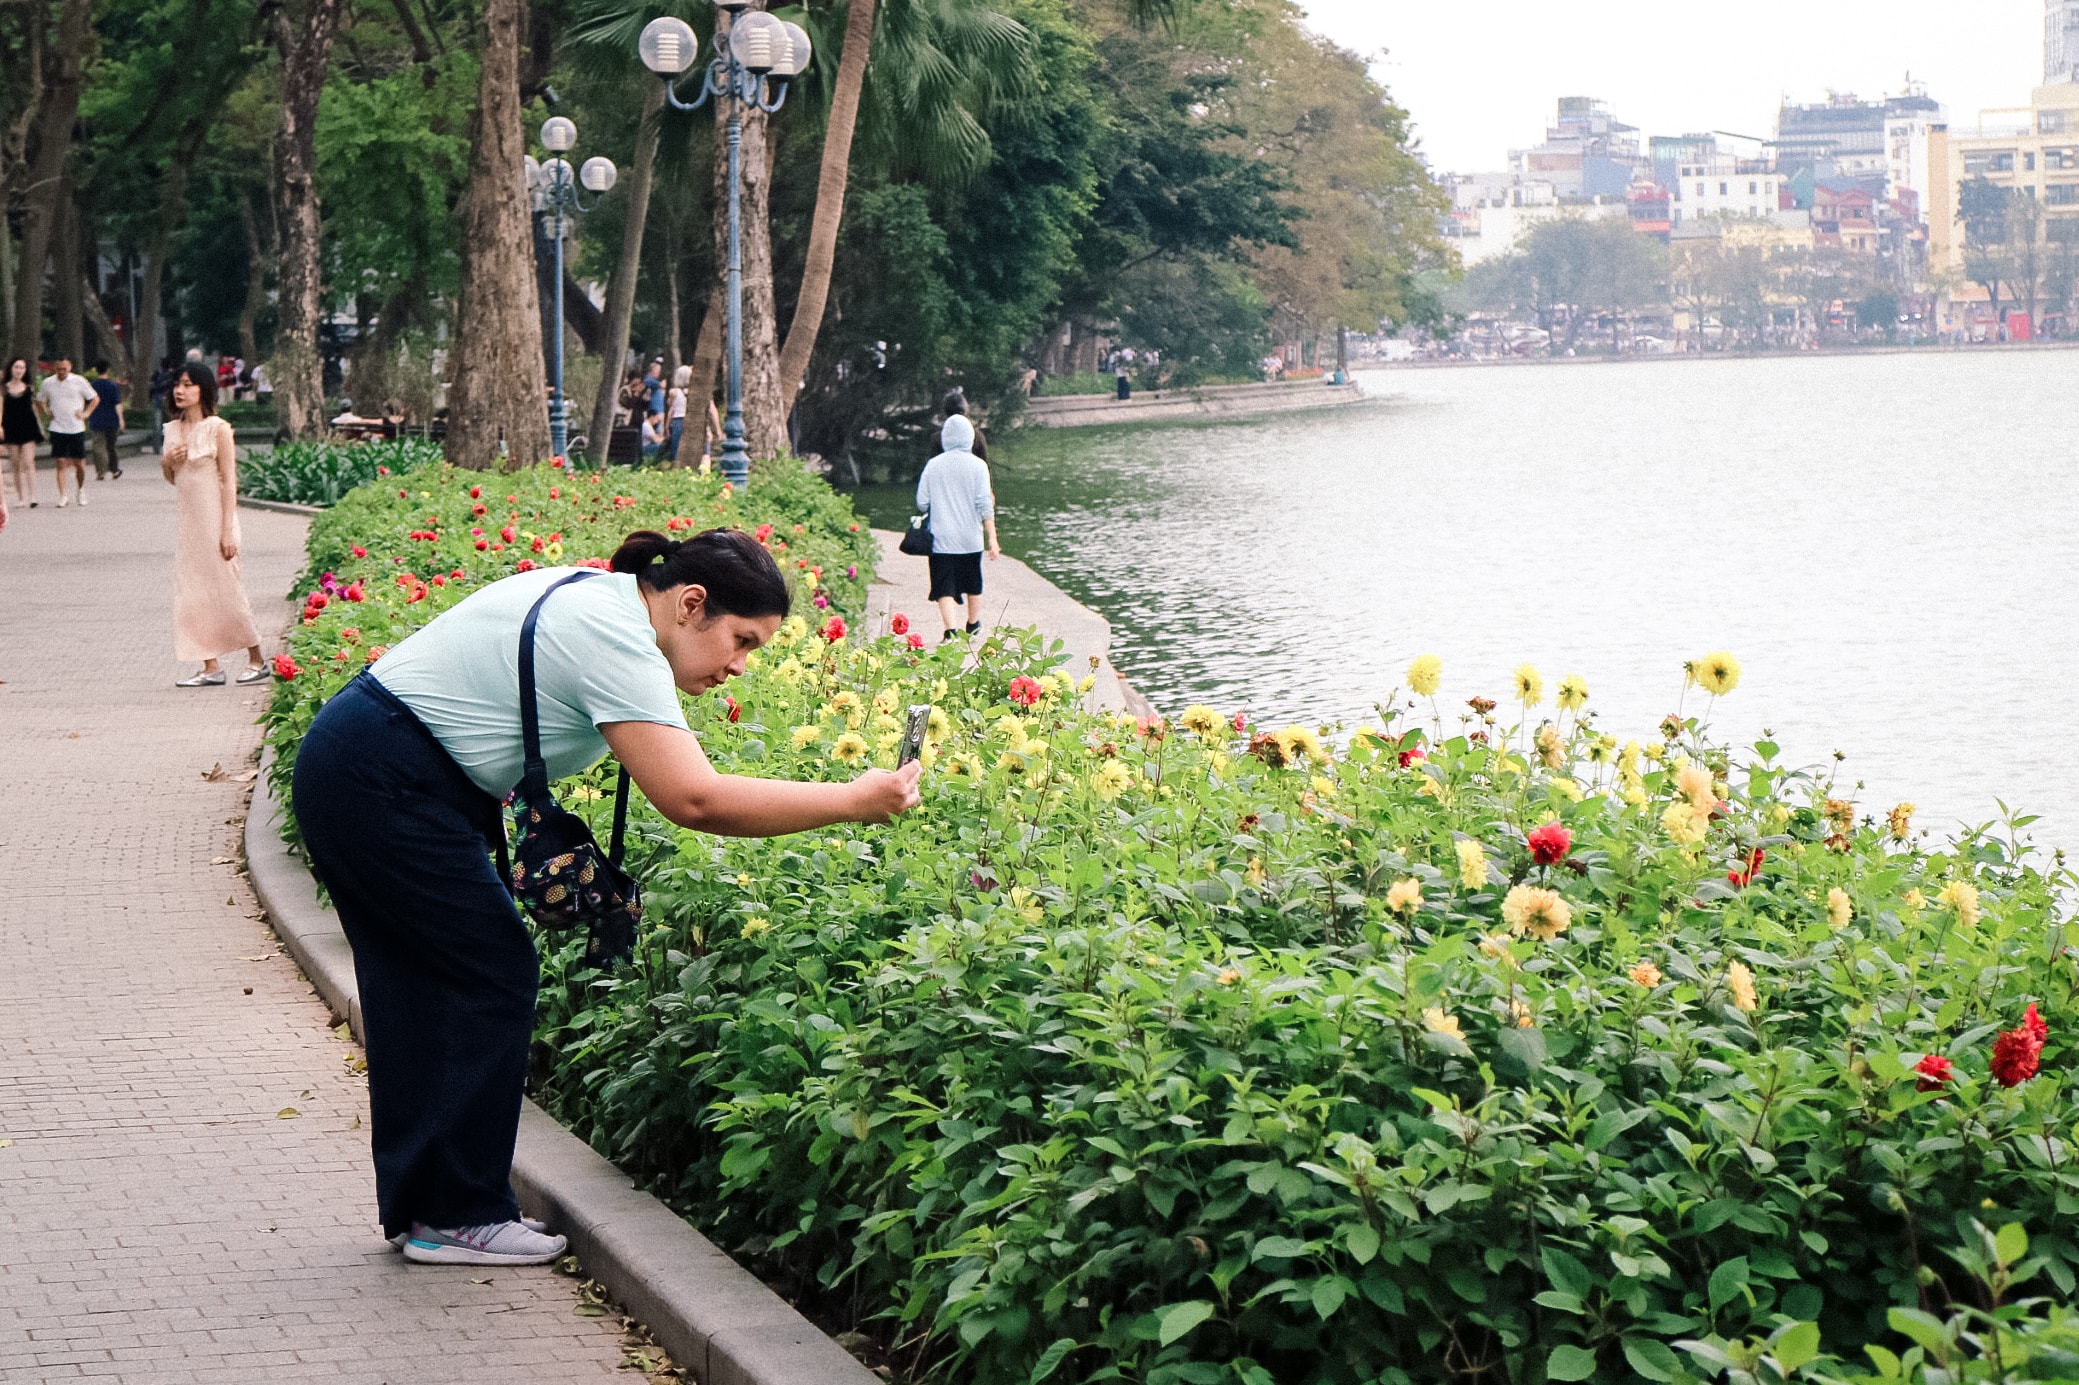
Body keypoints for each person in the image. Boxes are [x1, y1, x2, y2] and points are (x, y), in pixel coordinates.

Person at [289, 528, 922, 1266]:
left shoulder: (613, 606)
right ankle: (454, 1212)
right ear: (691, 604)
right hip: (384, 778)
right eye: (741, 641)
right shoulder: (615, 637)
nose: (741, 667)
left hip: (376, 764)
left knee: (432, 982)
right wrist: (851, 799)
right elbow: (695, 799)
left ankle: (434, 1208)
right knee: (487, 974)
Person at [162, 363, 266, 687]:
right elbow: (172, 478)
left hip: (217, 523)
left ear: (203, 390)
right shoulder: (172, 430)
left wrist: (226, 530)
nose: (180, 390)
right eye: (178, 384)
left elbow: (229, 481)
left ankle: (257, 659)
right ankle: (210, 666)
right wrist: (170, 462)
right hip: (189, 527)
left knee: (229, 590)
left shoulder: (218, 428)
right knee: (192, 594)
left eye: (188, 385)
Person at [913, 415, 999, 640]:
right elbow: (984, 504)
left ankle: (950, 630)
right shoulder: (979, 466)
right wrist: (992, 538)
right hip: (970, 537)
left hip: (941, 538)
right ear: (970, 436)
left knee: (943, 585)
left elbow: (922, 502)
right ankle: (972, 623)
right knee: (973, 581)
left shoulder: (933, 465)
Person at [39, 356, 100, 508]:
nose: (61, 372)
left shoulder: (78, 381)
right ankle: (62, 495)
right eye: (58, 369)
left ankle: (80, 490)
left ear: (70, 367)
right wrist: (47, 412)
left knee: (78, 463)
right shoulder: (48, 383)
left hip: (76, 427)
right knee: (60, 461)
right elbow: (40, 399)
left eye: (64, 369)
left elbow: (94, 398)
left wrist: (86, 414)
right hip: (57, 427)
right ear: (54, 368)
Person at [2, 357, 43, 510]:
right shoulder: (4, 389)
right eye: (16, 367)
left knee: (28, 462)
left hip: (28, 428)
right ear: (11, 369)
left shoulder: (29, 388)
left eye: (22, 368)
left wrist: (40, 429)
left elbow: (34, 410)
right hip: (11, 428)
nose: (19, 370)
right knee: (15, 464)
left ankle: (33, 496)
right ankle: (20, 497)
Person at [88, 361, 125, 480]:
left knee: (98, 446)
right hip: (112, 419)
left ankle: (101, 471)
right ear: (107, 370)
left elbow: (88, 402)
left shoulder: (92, 385)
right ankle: (114, 470)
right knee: (111, 446)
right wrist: (121, 419)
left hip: (97, 419)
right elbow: (117, 404)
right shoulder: (113, 386)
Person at [940, 387, 988, 461]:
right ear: (965, 410)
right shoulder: (978, 437)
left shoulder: (938, 438)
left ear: (945, 411)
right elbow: (985, 467)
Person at [666, 366, 689, 463]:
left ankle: (676, 465)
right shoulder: (693, 392)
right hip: (689, 419)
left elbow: (671, 409)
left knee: (676, 446)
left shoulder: (673, 392)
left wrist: (667, 426)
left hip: (678, 420)